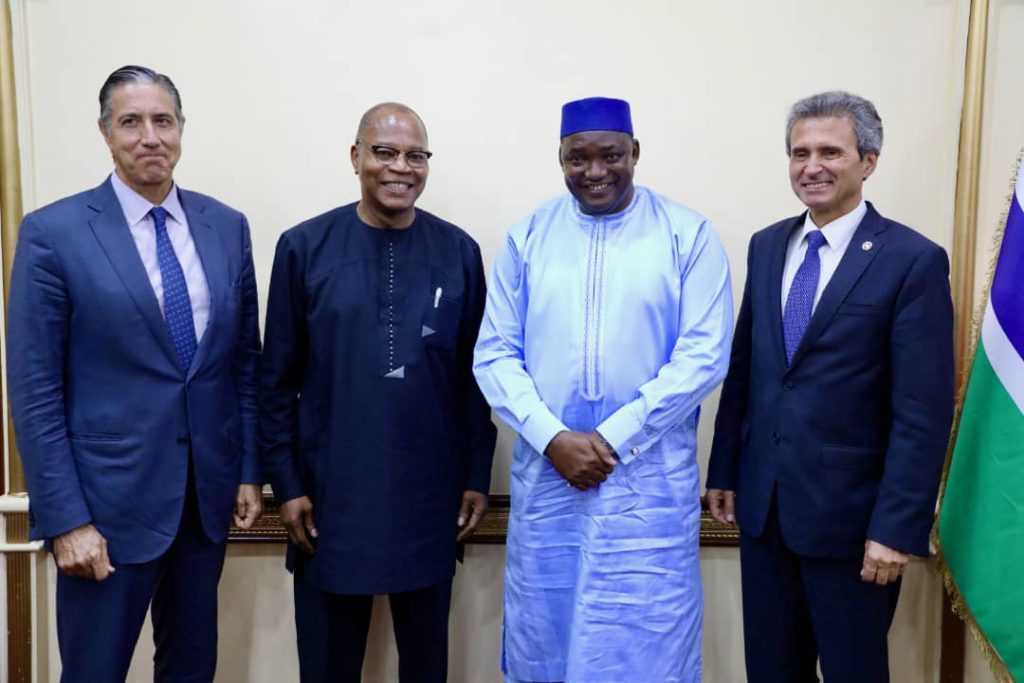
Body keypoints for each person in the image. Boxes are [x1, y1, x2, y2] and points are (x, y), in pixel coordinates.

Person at [7, 65, 262, 682]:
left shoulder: (226, 226)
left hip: (203, 505)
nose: (150, 136)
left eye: (163, 121)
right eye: (131, 122)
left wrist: (248, 470)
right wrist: (66, 520)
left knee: (192, 669)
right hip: (104, 511)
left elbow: (243, 365)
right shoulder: (53, 233)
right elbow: (35, 393)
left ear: (181, 130)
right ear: (105, 132)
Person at [473, 96, 733, 683]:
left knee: (645, 644)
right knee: (548, 637)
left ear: (635, 152)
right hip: (550, 481)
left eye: (610, 156)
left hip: (646, 488)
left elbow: (703, 356)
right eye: (578, 158)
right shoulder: (528, 237)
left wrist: (612, 438)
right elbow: (494, 354)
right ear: (560, 158)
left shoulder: (687, 235)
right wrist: (552, 437)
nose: (595, 172)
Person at [706, 91, 955, 683]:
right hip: (765, 513)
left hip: (853, 526)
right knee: (771, 671)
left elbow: (921, 411)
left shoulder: (912, 260)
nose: (811, 167)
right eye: (800, 153)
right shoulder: (768, 245)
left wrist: (895, 528)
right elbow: (747, 369)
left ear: (868, 161)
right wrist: (724, 470)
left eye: (830, 152)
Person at [259, 102, 496, 683]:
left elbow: (476, 379)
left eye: (416, 156)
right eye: (385, 152)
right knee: (328, 667)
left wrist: (475, 474)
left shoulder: (459, 252)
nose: (400, 168)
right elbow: (276, 382)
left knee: (426, 665)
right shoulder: (304, 247)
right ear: (355, 156)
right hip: (329, 501)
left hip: (430, 499)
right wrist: (286, 484)